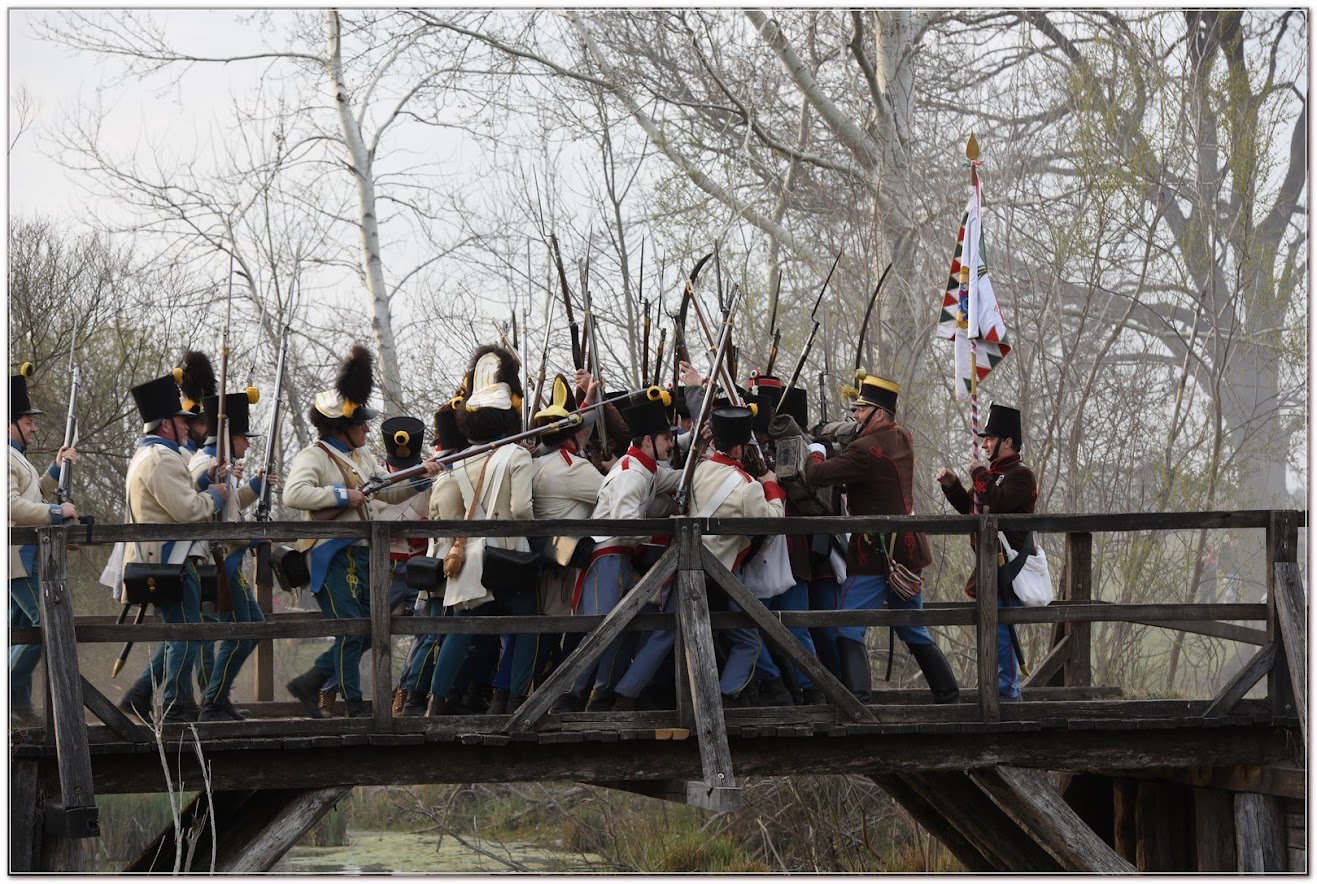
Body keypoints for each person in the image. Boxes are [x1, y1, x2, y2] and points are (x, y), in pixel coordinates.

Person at [282, 345, 438, 718]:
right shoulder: (314, 456)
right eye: (361, 423)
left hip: (363, 553)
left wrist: (420, 477)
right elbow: (294, 494)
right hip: (330, 554)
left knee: (367, 629)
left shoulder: (360, 457)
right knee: (353, 630)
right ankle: (353, 706)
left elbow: (384, 489)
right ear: (342, 427)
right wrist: (342, 494)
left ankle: (311, 682)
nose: (368, 427)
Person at [611, 405, 787, 711]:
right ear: (739, 447)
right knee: (748, 642)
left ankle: (625, 695)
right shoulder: (748, 487)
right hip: (721, 577)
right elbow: (771, 522)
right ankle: (720, 698)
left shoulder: (701, 469)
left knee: (665, 635)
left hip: (687, 569)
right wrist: (771, 484)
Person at [803, 375, 959, 704]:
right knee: (912, 628)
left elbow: (816, 475)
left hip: (875, 553)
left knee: (847, 624)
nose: (855, 415)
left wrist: (816, 449)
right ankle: (948, 695)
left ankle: (857, 701)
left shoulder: (862, 451)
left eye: (861, 410)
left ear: (877, 413)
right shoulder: (903, 437)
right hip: (910, 549)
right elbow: (874, 479)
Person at [422, 344, 535, 717]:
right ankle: (514, 698)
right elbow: (520, 510)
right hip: (507, 555)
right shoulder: (517, 455)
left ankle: (435, 702)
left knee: (461, 627)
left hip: (470, 556)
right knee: (529, 621)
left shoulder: (463, 460)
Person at [552, 391, 680, 712]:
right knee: (601, 630)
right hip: (606, 557)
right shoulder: (631, 475)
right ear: (648, 441)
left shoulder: (645, 467)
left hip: (619, 557)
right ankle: (570, 695)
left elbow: (676, 478)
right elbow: (627, 527)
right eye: (666, 439)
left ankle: (601, 693)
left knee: (619, 630)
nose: (671, 446)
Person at [120, 373, 230, 722]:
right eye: (181, 420)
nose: (187, 426)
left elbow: (174, 498)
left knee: (183, 635)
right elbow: (187, 511)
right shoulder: (161, 459)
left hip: (168, 559)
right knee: (185, 636)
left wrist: (202, 480)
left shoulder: (156, 456)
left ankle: (168, 702)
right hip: (173, 560)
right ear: (166, 424)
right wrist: (216, 495)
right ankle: (172, 707)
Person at [936, 402, 1037, 701]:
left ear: (1008, 442)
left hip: (1009, 566)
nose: (985, 443)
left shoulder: (1021, 475)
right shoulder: (992, 475)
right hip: (992, 565)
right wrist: (953, 485)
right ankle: (997, 692)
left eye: (991, 438)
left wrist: (979, 473)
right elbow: (972, 508)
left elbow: (1000, 502)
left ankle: (1007, 695)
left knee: (1003, 634)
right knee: (994, 633)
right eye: (985, 438)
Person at [188, 389, 276, 721]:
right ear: (229, 437)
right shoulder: (206, 464)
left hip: (228, 562)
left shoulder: (219, 464)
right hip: (218, 563)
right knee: (246, 629)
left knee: (248, 628)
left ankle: (217, 697)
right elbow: (207, 508)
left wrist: (255, 485)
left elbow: (230, 508)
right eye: (244, 438)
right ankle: (213, 701)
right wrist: (252, 538)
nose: (249, 444)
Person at [523, 374, 605, 712]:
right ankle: (555, 696)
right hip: (566, 563)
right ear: (571, 436)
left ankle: (540, 694)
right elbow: (613, 493)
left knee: (548, 628)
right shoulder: (573, 468)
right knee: (566, 626)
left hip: (547, 556)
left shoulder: (537, 462)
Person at [8, 366, 78, 729]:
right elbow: (11, 506)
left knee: (24, 629)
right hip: (19, 559)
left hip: (25, 558)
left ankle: (18, 706)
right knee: (46, 625)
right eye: (27, 420)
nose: (34, 427)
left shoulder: (15, 458)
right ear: (10, 423)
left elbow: (33, 492)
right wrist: (56, 511)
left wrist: (55, 468)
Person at [395, 404, 467, 716]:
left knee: (430, 635)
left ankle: (411, 697)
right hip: (449, 565)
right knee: (432, 636)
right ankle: (412, 698)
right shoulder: (450, 472)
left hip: (439, 561)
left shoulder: (444, 469)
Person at [371, 414, 432, 716]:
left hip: (420, 566)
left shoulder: (428, 478)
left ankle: (405, 689)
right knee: (365, 629)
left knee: (424, 630)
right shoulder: (375, 479)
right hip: (386, 565)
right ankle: (328, 692)